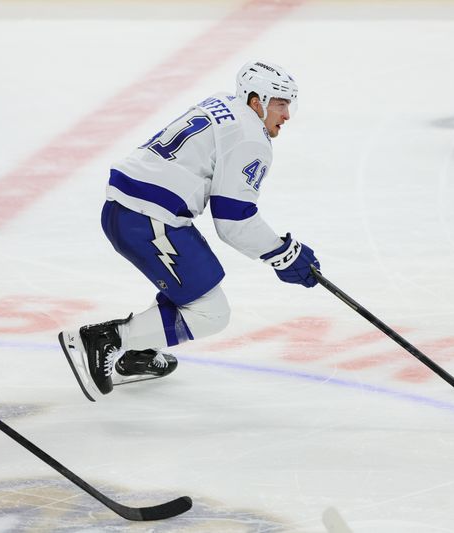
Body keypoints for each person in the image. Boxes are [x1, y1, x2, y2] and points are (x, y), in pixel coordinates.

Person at [58, 60, 320, 401]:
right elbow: (233, 220)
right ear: (257, 101)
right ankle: (106, 340)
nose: (286, 115)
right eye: (280, 104)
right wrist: (283, 253)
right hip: (148, 219)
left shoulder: (223, 102)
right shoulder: (250, 138)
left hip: (134, 210)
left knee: (198, 282)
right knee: (211, 313)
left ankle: (138, 352)